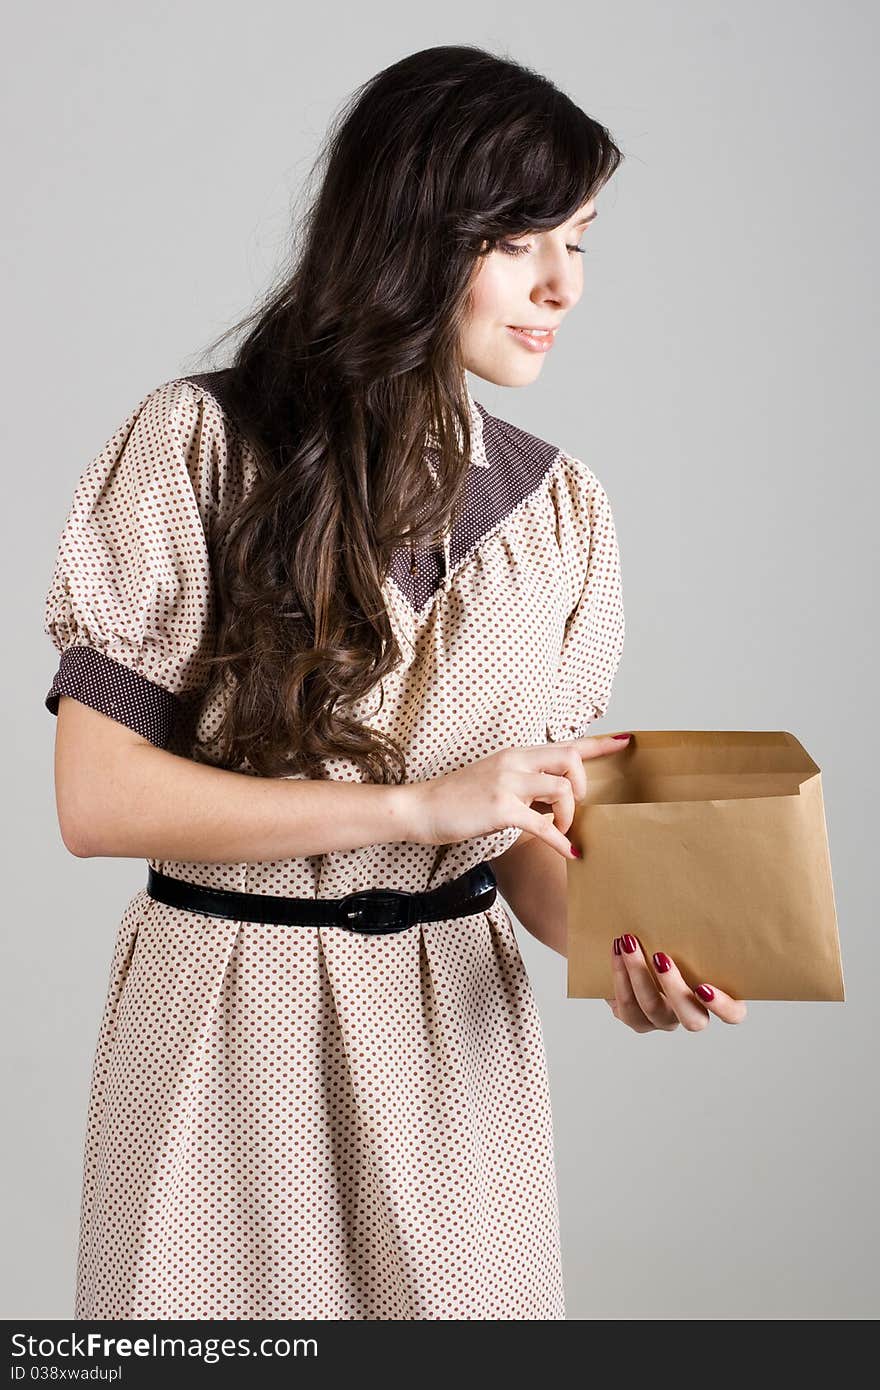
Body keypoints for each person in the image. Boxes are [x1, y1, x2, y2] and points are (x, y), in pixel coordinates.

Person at [43, 44, 745, 1323]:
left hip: (446, 1048)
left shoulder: (563, 512)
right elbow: (95, 799)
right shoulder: (199, 445)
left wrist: (622, 951)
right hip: (218, 1030)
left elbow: (526, 840)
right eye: (524, 238)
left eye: (579, 242)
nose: (561, 286)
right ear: (420, 231)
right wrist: (414, 807)